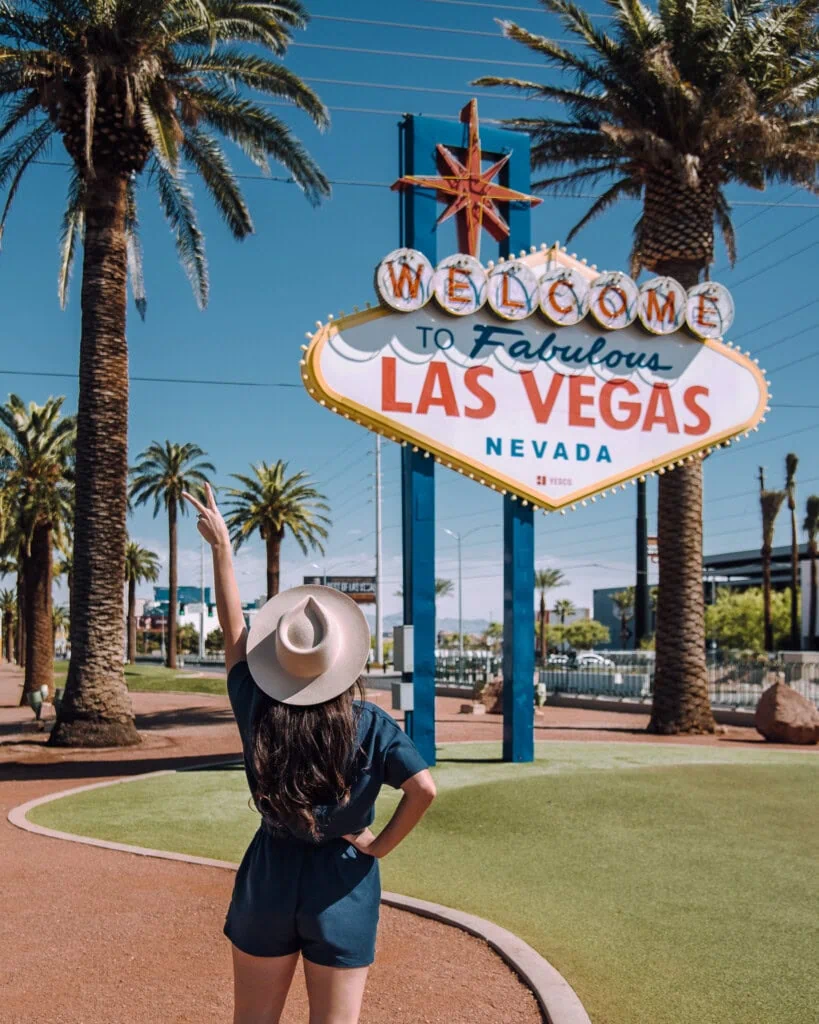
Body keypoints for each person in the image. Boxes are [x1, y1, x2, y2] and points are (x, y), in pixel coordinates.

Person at [183, 484, 436, 1024]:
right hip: (344, 880)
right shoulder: (370, 723)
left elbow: (233, 631)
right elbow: (424, 789)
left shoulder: (257, 708)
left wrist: (222, 549)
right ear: (343, 658)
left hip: (269, 874)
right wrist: (380, 847)